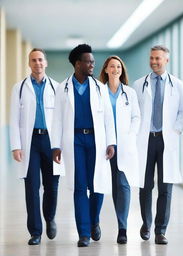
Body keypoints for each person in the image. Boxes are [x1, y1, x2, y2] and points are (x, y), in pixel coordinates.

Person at [51, 44, 116, 247]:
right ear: (77, 64)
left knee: (97, 186)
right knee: (80, 187)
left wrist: (111, 141)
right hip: (75, 141)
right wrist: (56, 146)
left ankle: (94, 220)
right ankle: (84, 234)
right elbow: (58, 119)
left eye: (93, 61)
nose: (92, 65)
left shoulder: (99, 87)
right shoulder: (63, 88)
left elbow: (108, 117)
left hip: (96, 141)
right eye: (88, 61)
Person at [133, 45, 183, 245]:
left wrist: (176, 130)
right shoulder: (140, 84)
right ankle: (146, 225)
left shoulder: (178, 85)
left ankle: (160, 230)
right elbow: (136, 112)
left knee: (166, 188)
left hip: (166, 139)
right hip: (146, 140)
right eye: (152, 58)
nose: (154, 61)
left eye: (158, 58)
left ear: (166, 61)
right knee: (145, 186)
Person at [9, 48, 60, 245]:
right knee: (31, 187)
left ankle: (49, 217)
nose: (37, 63)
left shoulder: (57, 87)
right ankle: (35, 232)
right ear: (29, 64)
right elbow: (14, 119)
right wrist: (16, 146)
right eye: (33, 60)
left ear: (45, 63)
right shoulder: (19, 88)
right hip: (30, 141)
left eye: (40, 60)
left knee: (52, 186)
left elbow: (62, 119)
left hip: (50, 142)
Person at [99, 56, 140, 244]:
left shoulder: (129, 93)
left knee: (122, 185)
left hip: (124, 146)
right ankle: (94, 224)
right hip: (104, 145)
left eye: (118, 67)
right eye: (112, 66)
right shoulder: (98, 92)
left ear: (122, 70)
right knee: (101, 185)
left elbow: (136, 117)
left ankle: (122, 228)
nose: (115, 69)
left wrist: (131, 136)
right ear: (106, 70)